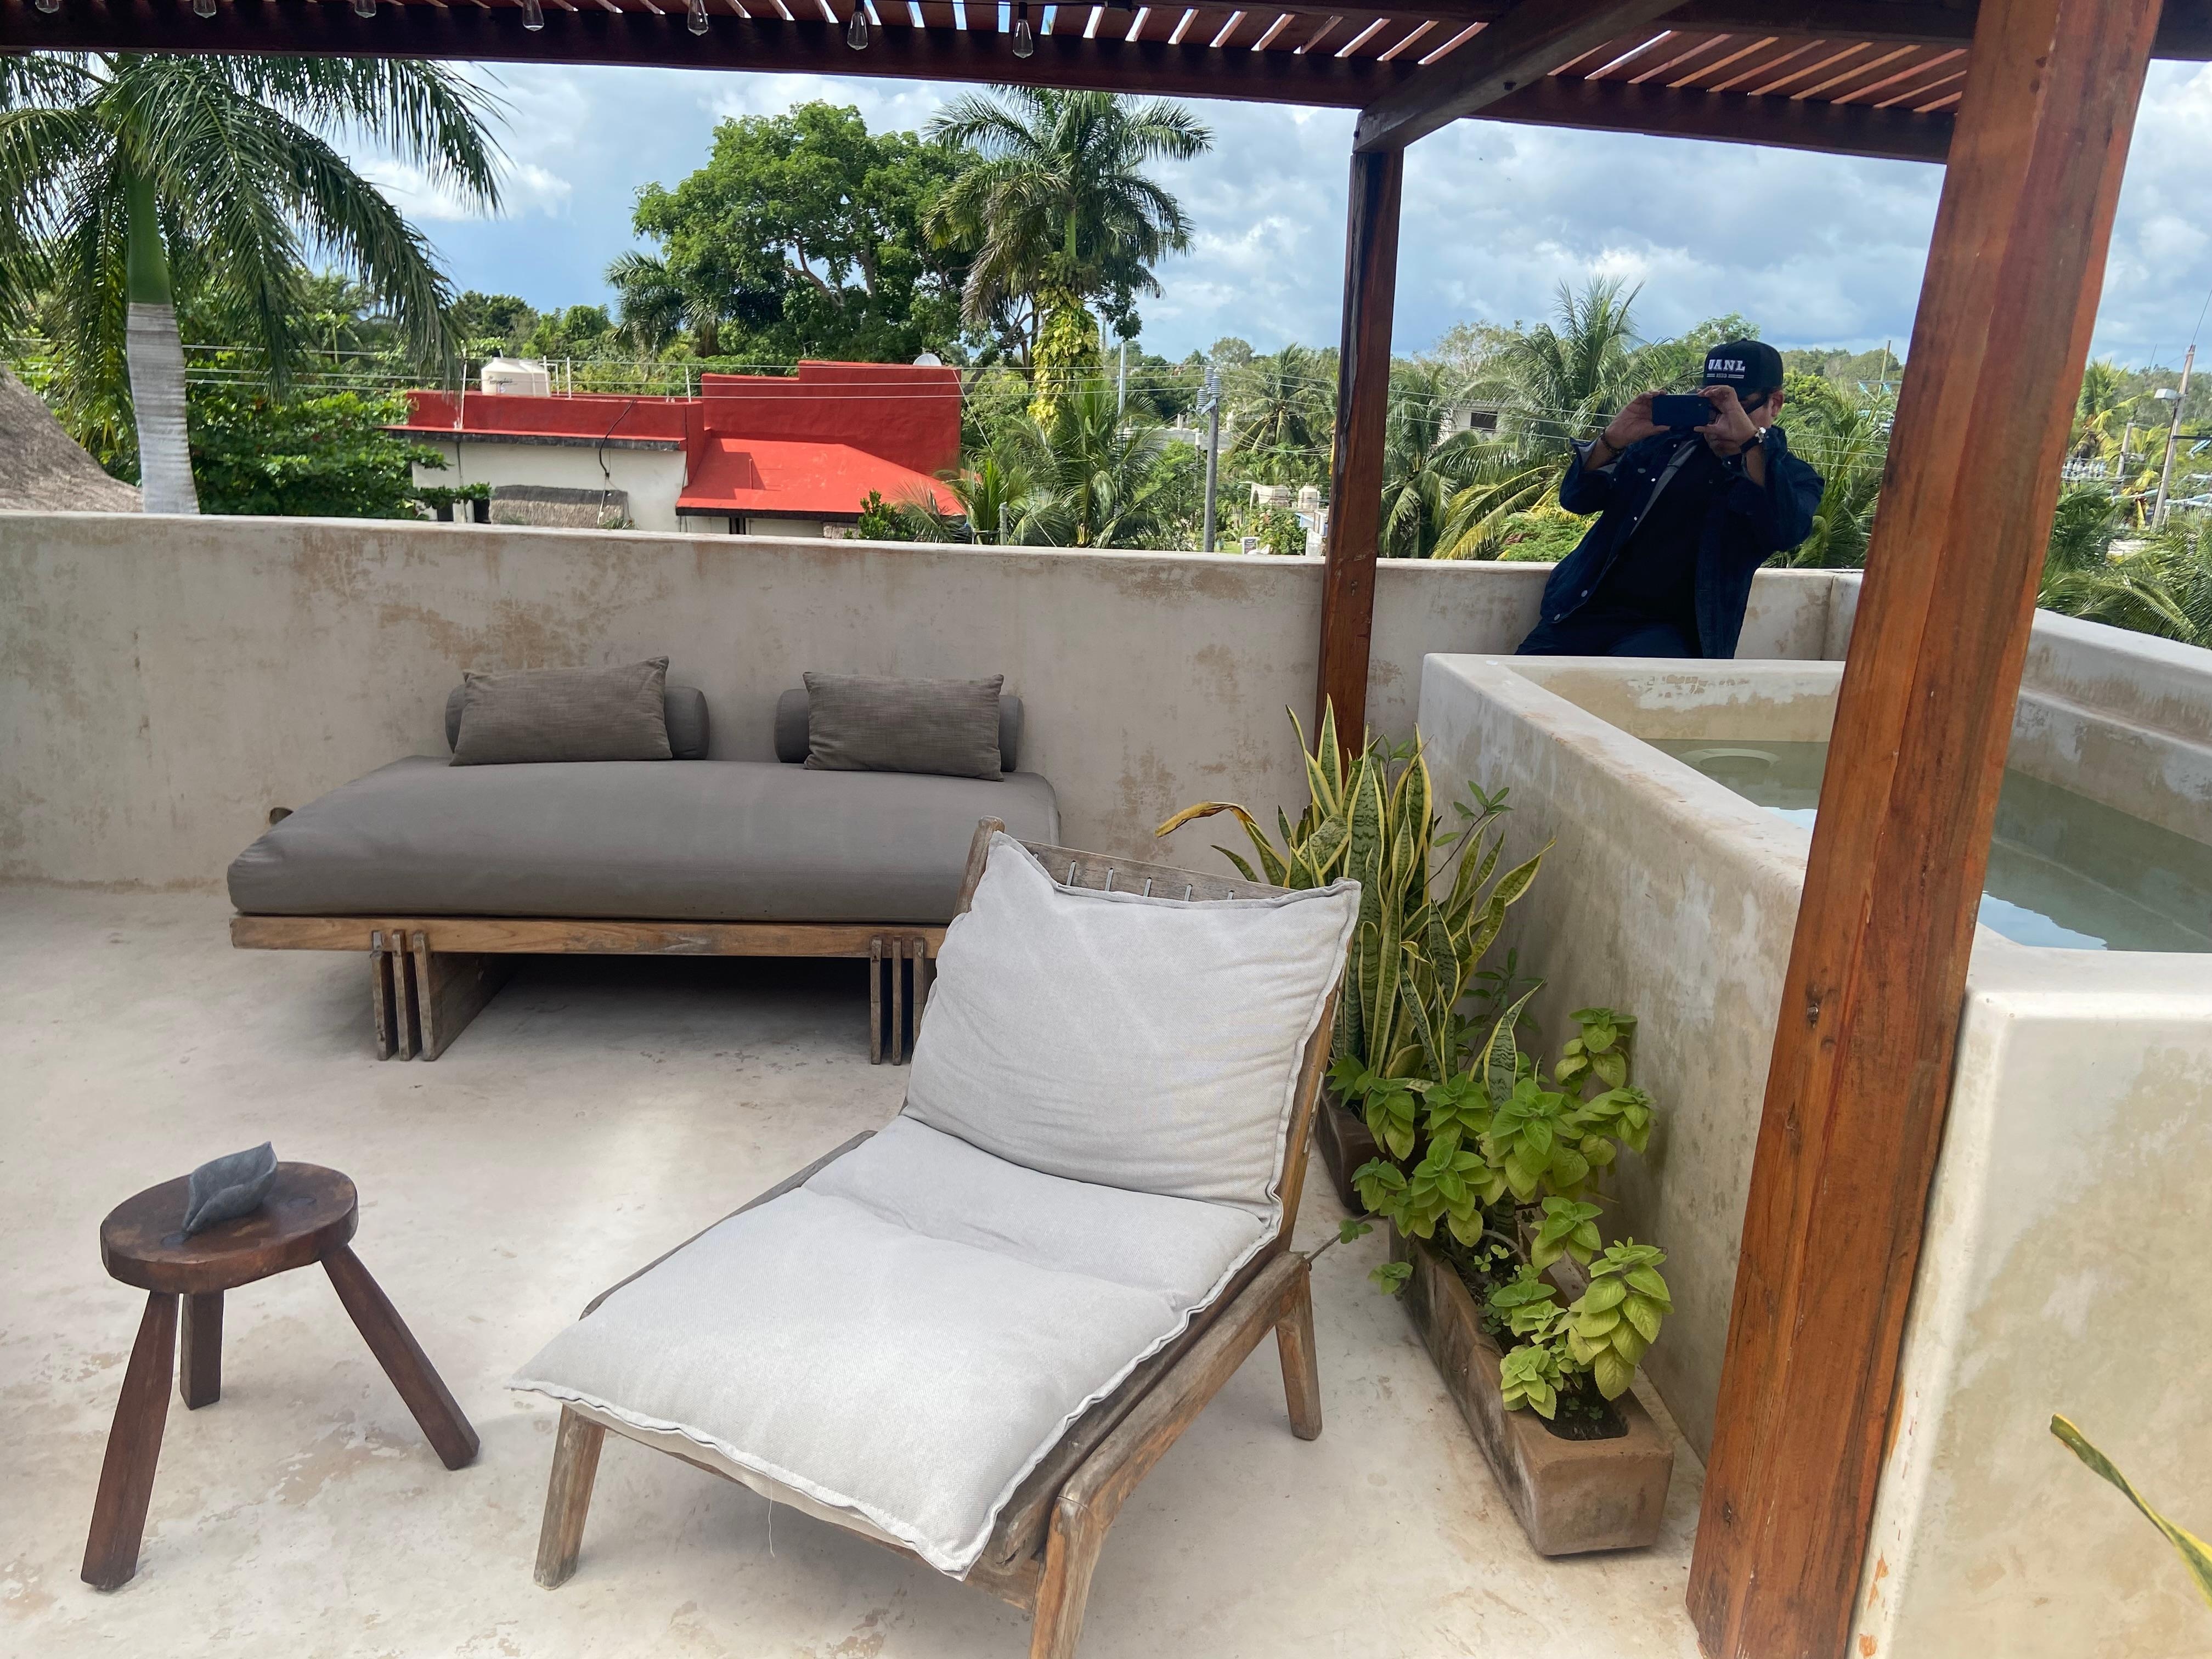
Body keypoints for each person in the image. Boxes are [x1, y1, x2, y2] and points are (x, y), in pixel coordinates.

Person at [1516, 340, 1824, 659]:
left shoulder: (1794, 477)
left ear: (1775, 404)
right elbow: (1577, 500)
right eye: (1713, 402)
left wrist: (1749, 446)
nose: (1721, 417)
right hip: (1583, 608)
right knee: (1515, 682)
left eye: (1737, 404)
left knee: (1631, 687)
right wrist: (1612, 441)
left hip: (1674, 630)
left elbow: (1787, 532)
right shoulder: (1661, 444)